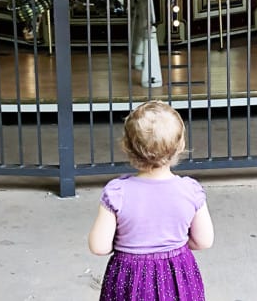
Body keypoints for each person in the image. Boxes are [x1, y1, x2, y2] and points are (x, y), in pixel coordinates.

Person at [88, 101, 214, 301]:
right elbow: (204, 240)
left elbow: (99, 246)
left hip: (129, 276)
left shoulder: (117, 192)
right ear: (181, 145)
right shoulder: (190, 190)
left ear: (126, 146)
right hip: (178, 274)